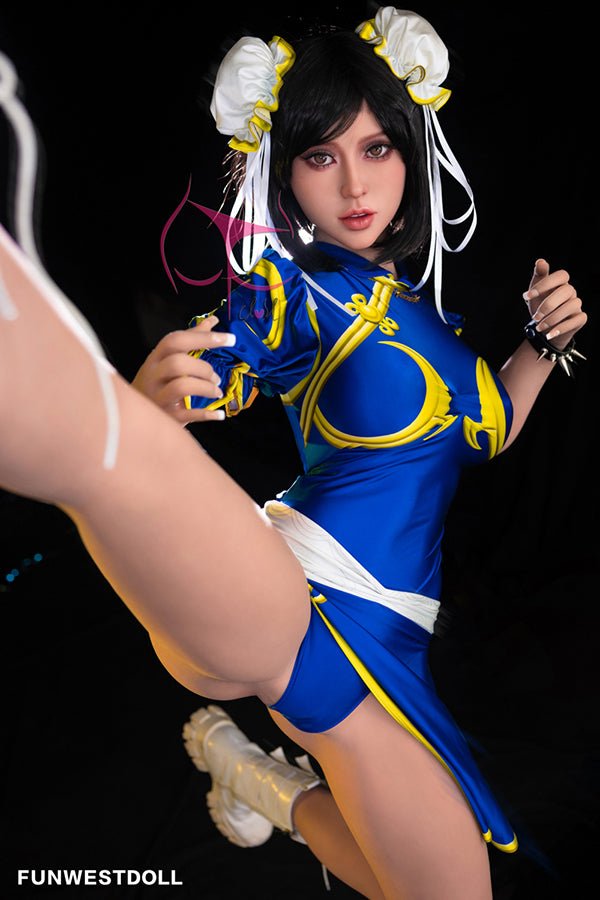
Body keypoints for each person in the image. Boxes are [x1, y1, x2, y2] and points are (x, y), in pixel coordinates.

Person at [0, 7, 587, 900]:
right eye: (321, 156)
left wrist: (541, 344)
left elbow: (490, 425)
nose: (354, 183)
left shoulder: (425, 315)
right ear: (287, 172)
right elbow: (223, 364)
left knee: (420, 884)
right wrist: (158, 403)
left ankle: (261, 784)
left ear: (410, 151)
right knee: (98, 442)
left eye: (376, 148)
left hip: (391, 639)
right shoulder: (296, 288)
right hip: (297, 605)